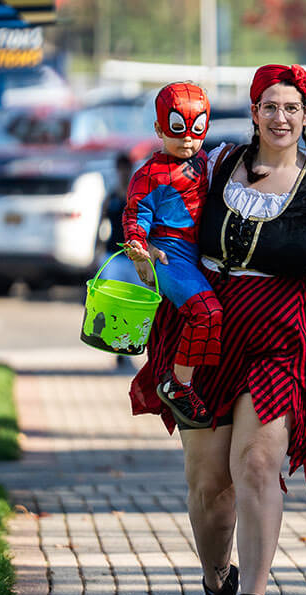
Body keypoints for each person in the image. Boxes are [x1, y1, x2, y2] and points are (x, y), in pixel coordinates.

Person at [127, 64, 306, 595]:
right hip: (206, 321)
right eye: (270, 106)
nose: (280, 118)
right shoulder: (216, 164)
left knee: (259, 463)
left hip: (282, 327)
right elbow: (163, 209)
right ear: (254, 111)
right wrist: (143, 253)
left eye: (292, 108)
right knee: (209, 484)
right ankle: (218, 583)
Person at [122, 81, 223, 427]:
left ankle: (190, 381)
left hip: (198, 256)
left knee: (211, 317)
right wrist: (139, 245)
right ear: (159, 128)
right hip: (169, 255)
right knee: (207, 312)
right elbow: (136, 214)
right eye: (177, 130)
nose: (188, 140)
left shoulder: (205, 162)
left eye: (197, 129)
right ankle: (178, 384)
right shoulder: (150, 174)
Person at [101, 151, 139, 371]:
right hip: (113, 256)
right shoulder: (112, 194)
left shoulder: (136, 194)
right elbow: (101, 223)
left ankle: (131, 346)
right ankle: (118, 350)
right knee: (116, 304)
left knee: (133, 307)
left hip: (134, 258)